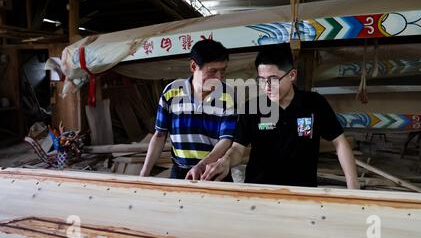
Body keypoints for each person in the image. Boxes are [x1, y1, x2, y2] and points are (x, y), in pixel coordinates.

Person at [198, 43, 359, 189]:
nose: (267, 87)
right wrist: (225, 161)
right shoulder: (252, 107)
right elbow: (238, 148)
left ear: (292, 75)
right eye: (261, 80)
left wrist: (353, 184)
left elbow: (339, 142)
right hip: (259, 190)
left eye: (273, 79)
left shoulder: (314, 103)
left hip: (303, 191)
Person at [139, 39, 237, 181]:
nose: (218, 77)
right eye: (212, 71)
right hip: (180, 173)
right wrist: (144, 174)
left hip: (213, 171)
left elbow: (225, 140)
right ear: (193, 66)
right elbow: (160, 135)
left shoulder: (227, 96)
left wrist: (202, 165)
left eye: (223, 71)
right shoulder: (171, 92)